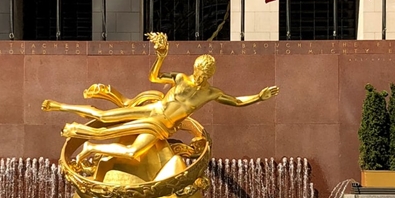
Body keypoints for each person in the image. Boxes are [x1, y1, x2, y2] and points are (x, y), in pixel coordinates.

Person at [42, 32, 279, 167]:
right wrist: (161, 56)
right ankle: (60, 106)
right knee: (104, 116)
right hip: (152, 110)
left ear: (210, 75)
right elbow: (154, 77)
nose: (200, 76)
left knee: (133, 152)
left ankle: (91, 147)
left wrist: (259, 97)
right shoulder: (180, 78)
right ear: (195, 68)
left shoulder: (211, 93)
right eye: (199, 72)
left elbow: (236, 101)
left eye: (205, 74)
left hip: (161, 127)